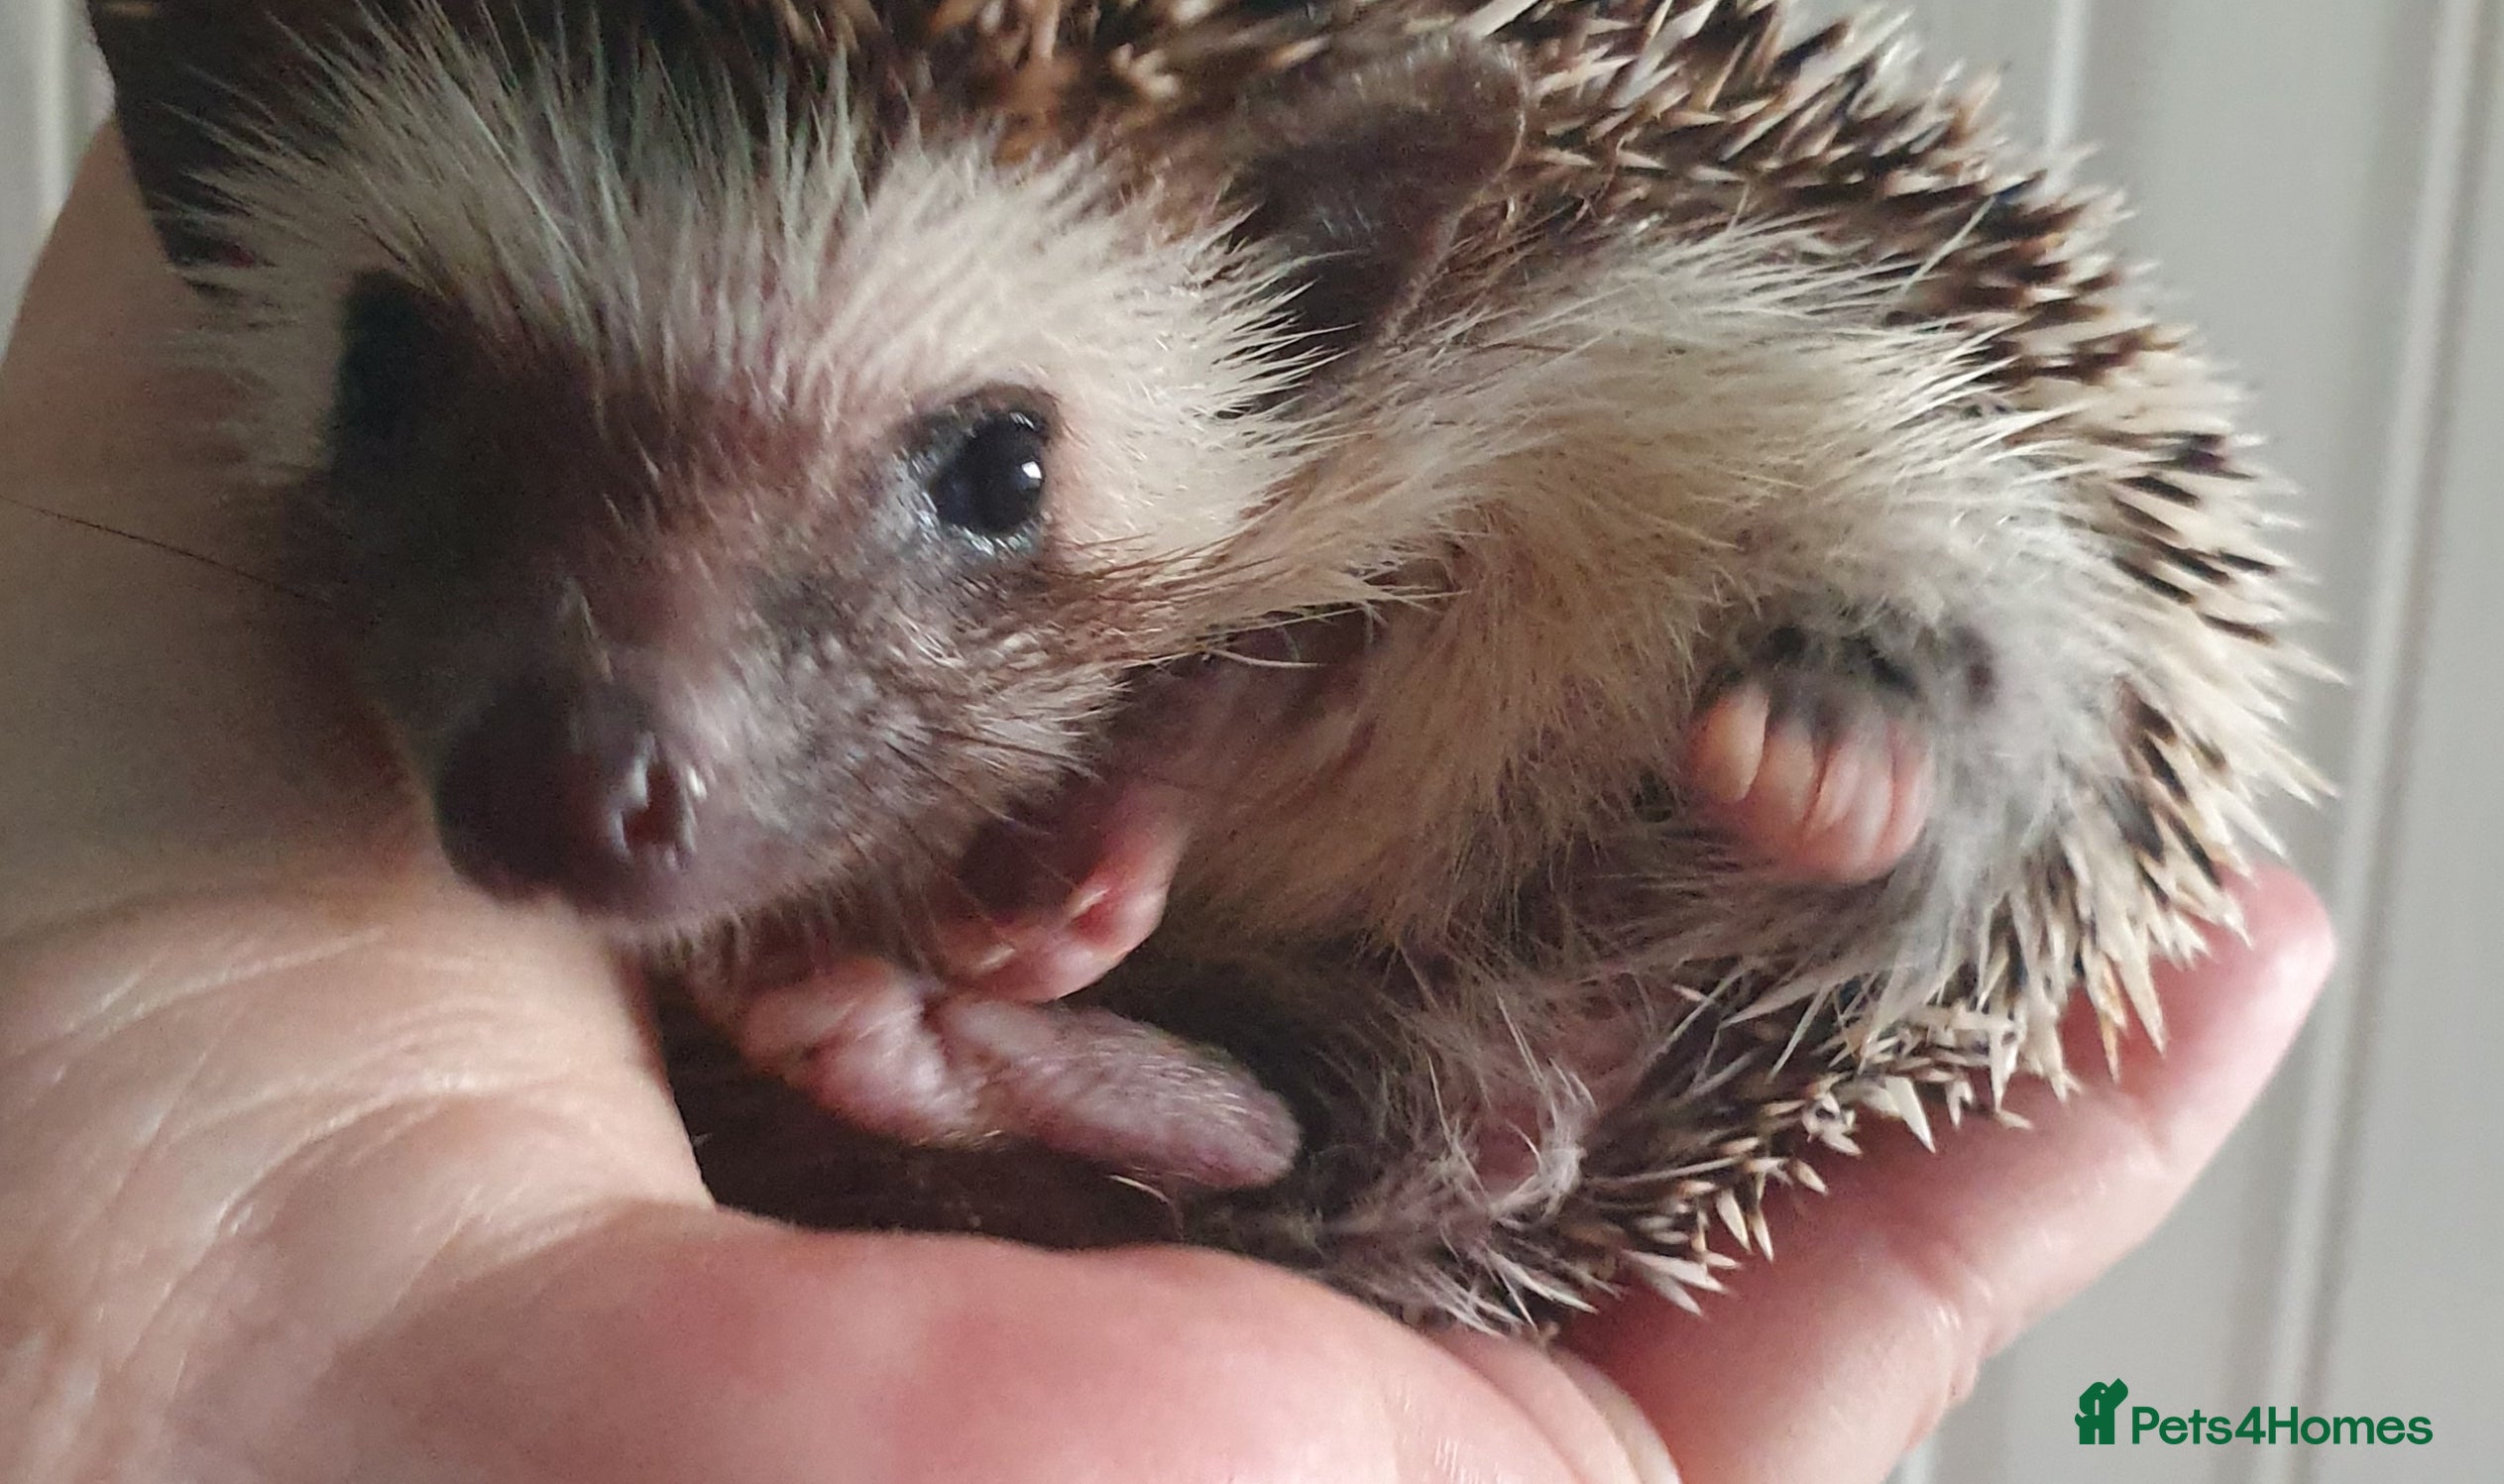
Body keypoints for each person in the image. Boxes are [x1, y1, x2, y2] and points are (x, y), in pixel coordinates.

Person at [0, 135, 2333, 1484]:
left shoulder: (1567, 386)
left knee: (1868, 653)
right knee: (1287, 1117)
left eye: (980, 471)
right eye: (414, 388)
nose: (629, 720)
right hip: (1248, 1111)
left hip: (1547, 977)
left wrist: (1898, 715)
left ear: (1328, 291)